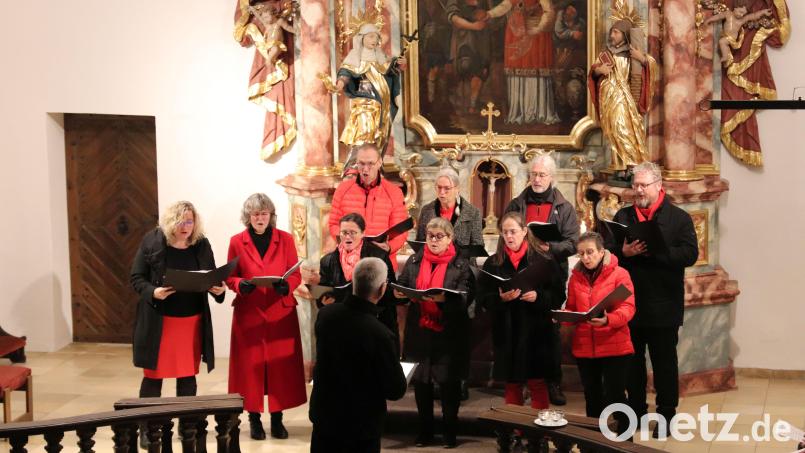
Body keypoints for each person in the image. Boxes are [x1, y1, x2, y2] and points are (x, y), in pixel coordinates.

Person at [604, 162, 698, 438]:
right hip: (628, 303)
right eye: (635, 185)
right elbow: (608, 253)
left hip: (664, 302)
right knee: (631, 364)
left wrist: (656, 252)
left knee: (664, 363)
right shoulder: (622, 216)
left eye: (643, 185)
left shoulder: (679, 218)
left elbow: (690, 254)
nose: (638, 190)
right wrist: (625, 253)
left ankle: (667, 415)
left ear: (659, 187)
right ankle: (635, 414)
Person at [130, 201, 226, 446]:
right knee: (154, 378)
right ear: (171, 221)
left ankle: (187, 427)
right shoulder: (152, 241)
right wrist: (153, 291)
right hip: (160, 322)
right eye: (181, 221)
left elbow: (211, 275)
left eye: (190, 221)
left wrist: (218, 289)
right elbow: (136, 277)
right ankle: (147, 427)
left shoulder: (201, 244)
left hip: (190, 322)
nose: (186, 227)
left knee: (187, 377)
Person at [480, 212, 565, 449]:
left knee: (537, 381)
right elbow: (483, 299)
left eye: (513, 231)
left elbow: (559, 295)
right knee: (512, 383)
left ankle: (540, 433)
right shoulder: (493, 262)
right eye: (505, 232)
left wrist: (539, 296)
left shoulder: (542, 259)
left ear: (524, 231)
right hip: (507, 331)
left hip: (536, 331)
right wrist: (501, 299)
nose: (509, 236)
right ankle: (514, 432)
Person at [225, 193, 306, 440]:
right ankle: (254, 420)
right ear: (248, 217)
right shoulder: (237, 242)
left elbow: (295, 274)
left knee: (280, 369)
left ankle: (278, 420)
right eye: (255, 214)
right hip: (249, 313)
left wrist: (287, 286)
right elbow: (230, 276)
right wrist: (240, 285)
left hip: (279, 313)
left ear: (271, 215)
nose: (260, 218)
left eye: (264, 213)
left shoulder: (287, 239)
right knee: (250, 371)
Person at [309, 258, 408, 453]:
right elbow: (395, 390)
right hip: (360, 427)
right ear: (381, 289)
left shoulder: (326, 315)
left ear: (353, 283)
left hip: (325, 417)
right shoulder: (380, 334)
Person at [505, 153, 578, 405]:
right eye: (534, 174)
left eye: (542, 175)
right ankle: (524, 382)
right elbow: (508, 230)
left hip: (551, 276)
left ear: (551, 178)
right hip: (523, 270)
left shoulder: (564, 207)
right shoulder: (516, 204)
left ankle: (552, 383)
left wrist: (550, 248)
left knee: (550, 333)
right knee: (522, 333)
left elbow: (573, 243)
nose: (537, 179)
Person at [394, 217, 474, 448]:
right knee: (422, 383)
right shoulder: (415, 259)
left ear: (450, 238)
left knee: (448, 383)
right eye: (430, 236)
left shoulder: (461, 263)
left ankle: (450, 433)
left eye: (440, 236)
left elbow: (465, 297)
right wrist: (401, 294)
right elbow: (404, 282)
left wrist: (443, 300)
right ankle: (425, 432)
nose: (434, 240)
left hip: (449, 330)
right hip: (420, 329)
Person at [563, 232, 635, 437]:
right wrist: (562, 317)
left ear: (602, 252)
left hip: (615, 345)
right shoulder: (575, 278)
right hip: (586, 348)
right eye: (581, 254)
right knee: (592, 397)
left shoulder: (620, 274)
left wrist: (608, 320)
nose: (586, 257)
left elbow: (628, 308)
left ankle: (625, 444)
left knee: (616, 397)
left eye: (590, 252)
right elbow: (572, 308)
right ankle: (594, 444)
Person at [588, 19, 657, 172]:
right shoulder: (607, 54)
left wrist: (642, 59)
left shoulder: (632, 53)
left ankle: (633, 165)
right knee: (612, 131)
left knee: (623, 128)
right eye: (612, 31)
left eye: (616, 32)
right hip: (608, 99)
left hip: (623, 98)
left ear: (625, 35)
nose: (612, 35)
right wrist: (599, 70)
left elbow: (651, 65)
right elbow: (593, 71)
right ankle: (619, 166)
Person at [328, 143, 409, 271]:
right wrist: (346, 241)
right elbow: (333, 224)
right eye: (361, 163)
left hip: (381, 263)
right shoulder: (343, 189)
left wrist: (389, 247)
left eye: (370, 163)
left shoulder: (394, 192)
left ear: (379, 163)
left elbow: (401, 231)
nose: (365, 169)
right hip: (348, 263)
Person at [319, 213, 399, 341]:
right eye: (344, 232)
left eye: (353, 232)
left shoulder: (378, 255)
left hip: (371, 323)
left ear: (363, 233)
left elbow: (389, 291)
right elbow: (323, 290)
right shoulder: (327, 261)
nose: (347, 237)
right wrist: (322, 302)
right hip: (342, 323)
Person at [333, 23, 405, 153]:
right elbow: (345, 73)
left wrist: (399, 65)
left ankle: (374, 164)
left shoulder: (381, 57)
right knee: (365, 132)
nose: (375, 40)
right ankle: (357, 164)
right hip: (365, 102)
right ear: (362, 38)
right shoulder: (355, 57)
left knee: (379, 135)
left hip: (384, 104)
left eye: (377, 37)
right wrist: (340, 84)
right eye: (371, 37)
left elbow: (391, 73)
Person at [487, 0, 560, 125]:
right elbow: (506, 5)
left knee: (536, 71)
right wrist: (489, 14)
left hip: (535, 33)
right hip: (516, 32)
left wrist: (539, 28)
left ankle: (537, 112)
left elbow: (548, 11)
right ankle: (519, 112)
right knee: (517, 73)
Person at [415, 167, 483, 248]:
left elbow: (477, 246)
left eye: (447, 188)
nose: (442, 192)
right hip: (433, 260)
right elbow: (420, 242)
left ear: (457, 189)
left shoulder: (473, 213)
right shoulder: (426, 210)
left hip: (461, 260)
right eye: (439, 187)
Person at [705, 6, 772, 66]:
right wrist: (709, 20)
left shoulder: (742, 20)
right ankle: (726, 56)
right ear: (735, 8)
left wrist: (763, 12)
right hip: (725, 35)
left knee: (722, 42)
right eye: (740, 12)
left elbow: (753, 16)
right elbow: (718, 16)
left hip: (732, 38)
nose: (741, 15)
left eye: (743, 14)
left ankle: (725, 57)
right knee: (722, 43)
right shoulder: (728, 14)